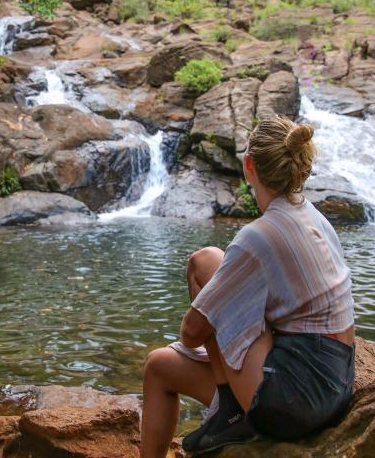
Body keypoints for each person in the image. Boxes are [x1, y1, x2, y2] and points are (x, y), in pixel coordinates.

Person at [140, 117, 355, 457]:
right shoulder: (314, 216)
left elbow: (191, 334)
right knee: (203, 266)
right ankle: (229, 408)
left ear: (249, 165)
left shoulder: (257, 238)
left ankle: (232, 410)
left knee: (164, 355)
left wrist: (228, 313)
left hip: (292, 403)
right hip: (337, 384)